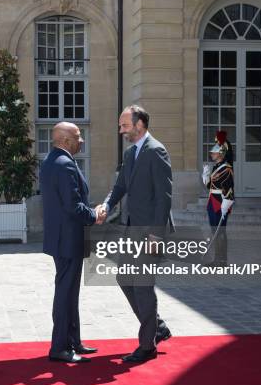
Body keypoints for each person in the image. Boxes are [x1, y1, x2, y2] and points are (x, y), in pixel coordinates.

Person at [96, 105, 173, 363]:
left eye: (125, 125)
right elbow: (120, 186)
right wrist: (107, 204)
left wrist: (156, 234)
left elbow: (164, 198)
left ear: (139, 124)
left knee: (142, 285)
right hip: (131, 229)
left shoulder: (156, 151)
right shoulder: (130, 154)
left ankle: (147, 345)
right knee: (124, 278)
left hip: (149, 231)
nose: (121, 131)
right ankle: (157, 327)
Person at [40, 122, 103, 364]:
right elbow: (72, 205)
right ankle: (60, 347)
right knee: (66, 293)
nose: (82, 141)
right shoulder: (65, 164)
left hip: (61, 238)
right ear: (65, 141)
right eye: (78, 137)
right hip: (68, 239)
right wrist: (94, 215)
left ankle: (73, 340)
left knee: (69, 291)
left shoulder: (51, 160)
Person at [202, 131, 234, 267]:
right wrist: (206, 175)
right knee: (215, 231)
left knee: (220, 231)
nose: (212, 154)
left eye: (214, 153)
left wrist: (226, 204)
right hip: (213, 200)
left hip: (220, 202)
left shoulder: (226, 169)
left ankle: (222, 260)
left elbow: (229, 189)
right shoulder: (217, 167)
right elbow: (210, 186)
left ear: (221, 154)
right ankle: (218, 258)